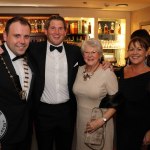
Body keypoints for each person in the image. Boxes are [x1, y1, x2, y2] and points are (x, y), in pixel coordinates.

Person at [29, 15, 111, 150]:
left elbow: (91, 60)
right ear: (46, 31)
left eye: (60, 28)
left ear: (65, 32)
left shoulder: (75, 51)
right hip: (42, 112)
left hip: (67, 111)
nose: (57, 32)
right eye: (53, 28)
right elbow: (14, 50)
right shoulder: (33, 50)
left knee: (65, 146)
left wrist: (105, 63)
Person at [73, 38, 118, 150]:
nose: (90, 55)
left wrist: (101, 121)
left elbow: (116, 103)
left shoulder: (107, 73)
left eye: (94, 52)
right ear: (83, 55)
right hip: (81, 124)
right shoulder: (78, 70)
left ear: (100, 54)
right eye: (86, 52)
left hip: (100, 125)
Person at [0, 16, 35, 150]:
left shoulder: (30, 58)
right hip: (3, 135)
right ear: (5, 36)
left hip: (26, 134)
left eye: (26, 36)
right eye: (17, 36)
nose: (22, 41)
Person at [116, 37, 150, 150]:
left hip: (142, 129)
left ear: (147, 52)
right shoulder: (122, 71)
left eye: (139, 49)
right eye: (131, 49)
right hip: (121, 126)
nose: (134, 53)